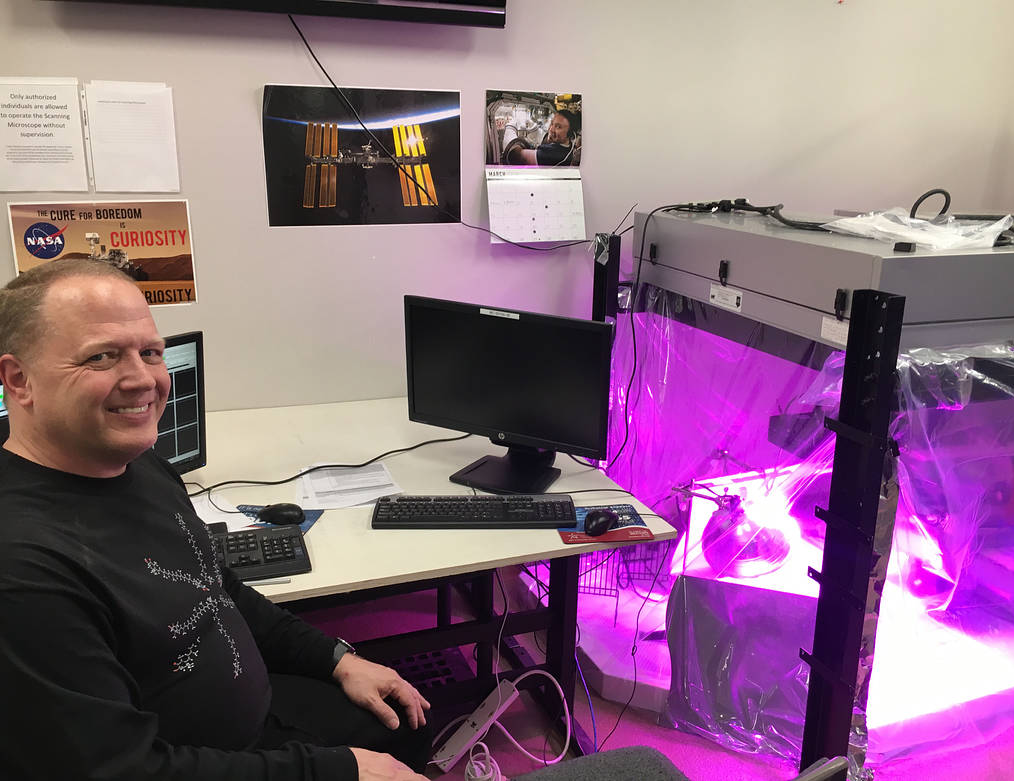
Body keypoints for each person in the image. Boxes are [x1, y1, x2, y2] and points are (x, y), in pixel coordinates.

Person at [0, 258, 431, 781]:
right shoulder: (23, 571)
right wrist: (339, 771)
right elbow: (117, 770)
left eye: (150, 352)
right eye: (102, 357)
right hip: (185, 762)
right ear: (18, 380)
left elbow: (214, 586)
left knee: (407, 724)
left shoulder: (139, 464)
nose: (142, 379)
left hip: (256, 719)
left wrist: (335, 658)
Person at [502, 109, 580, 166]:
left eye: (558, 127)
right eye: (552, 123)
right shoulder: (568, 147)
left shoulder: (551, 155)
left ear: (570, 134)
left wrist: (511, 126)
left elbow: (513, 155)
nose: (551, 129)